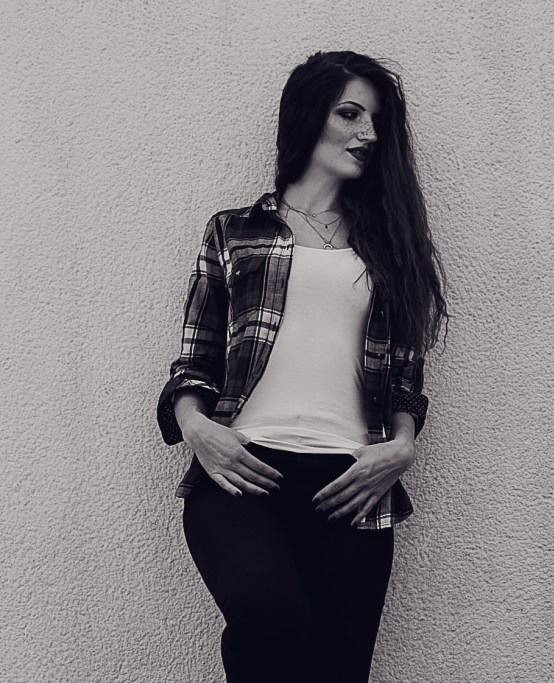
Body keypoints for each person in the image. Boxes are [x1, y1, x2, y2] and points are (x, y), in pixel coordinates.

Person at [155, 50, 449, 682]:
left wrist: (401, 446)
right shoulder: (235, 231)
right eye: (350, 114)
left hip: (351, 482)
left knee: (338, 670)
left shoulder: (389, 243)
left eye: (377, 121)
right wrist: (197, 429)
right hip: (242, 471)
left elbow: (405, 372)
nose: (368, 134)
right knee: (272, 618)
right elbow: (196, 357)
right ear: (308, 114)